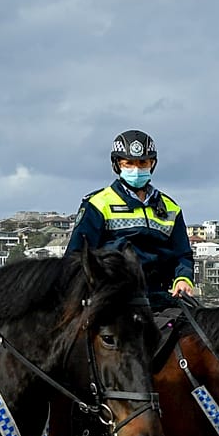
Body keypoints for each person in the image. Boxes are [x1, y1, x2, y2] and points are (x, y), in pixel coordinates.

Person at [66, 130, 194, 307]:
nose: (136, 169)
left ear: (152, 163)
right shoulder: (97, 204)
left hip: (161, 296)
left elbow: (183, 254)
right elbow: (76, 256)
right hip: (116, 297)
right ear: (118, 165)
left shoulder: (171, 207)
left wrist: (183, 278)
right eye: (129, 163)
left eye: (142, 163)